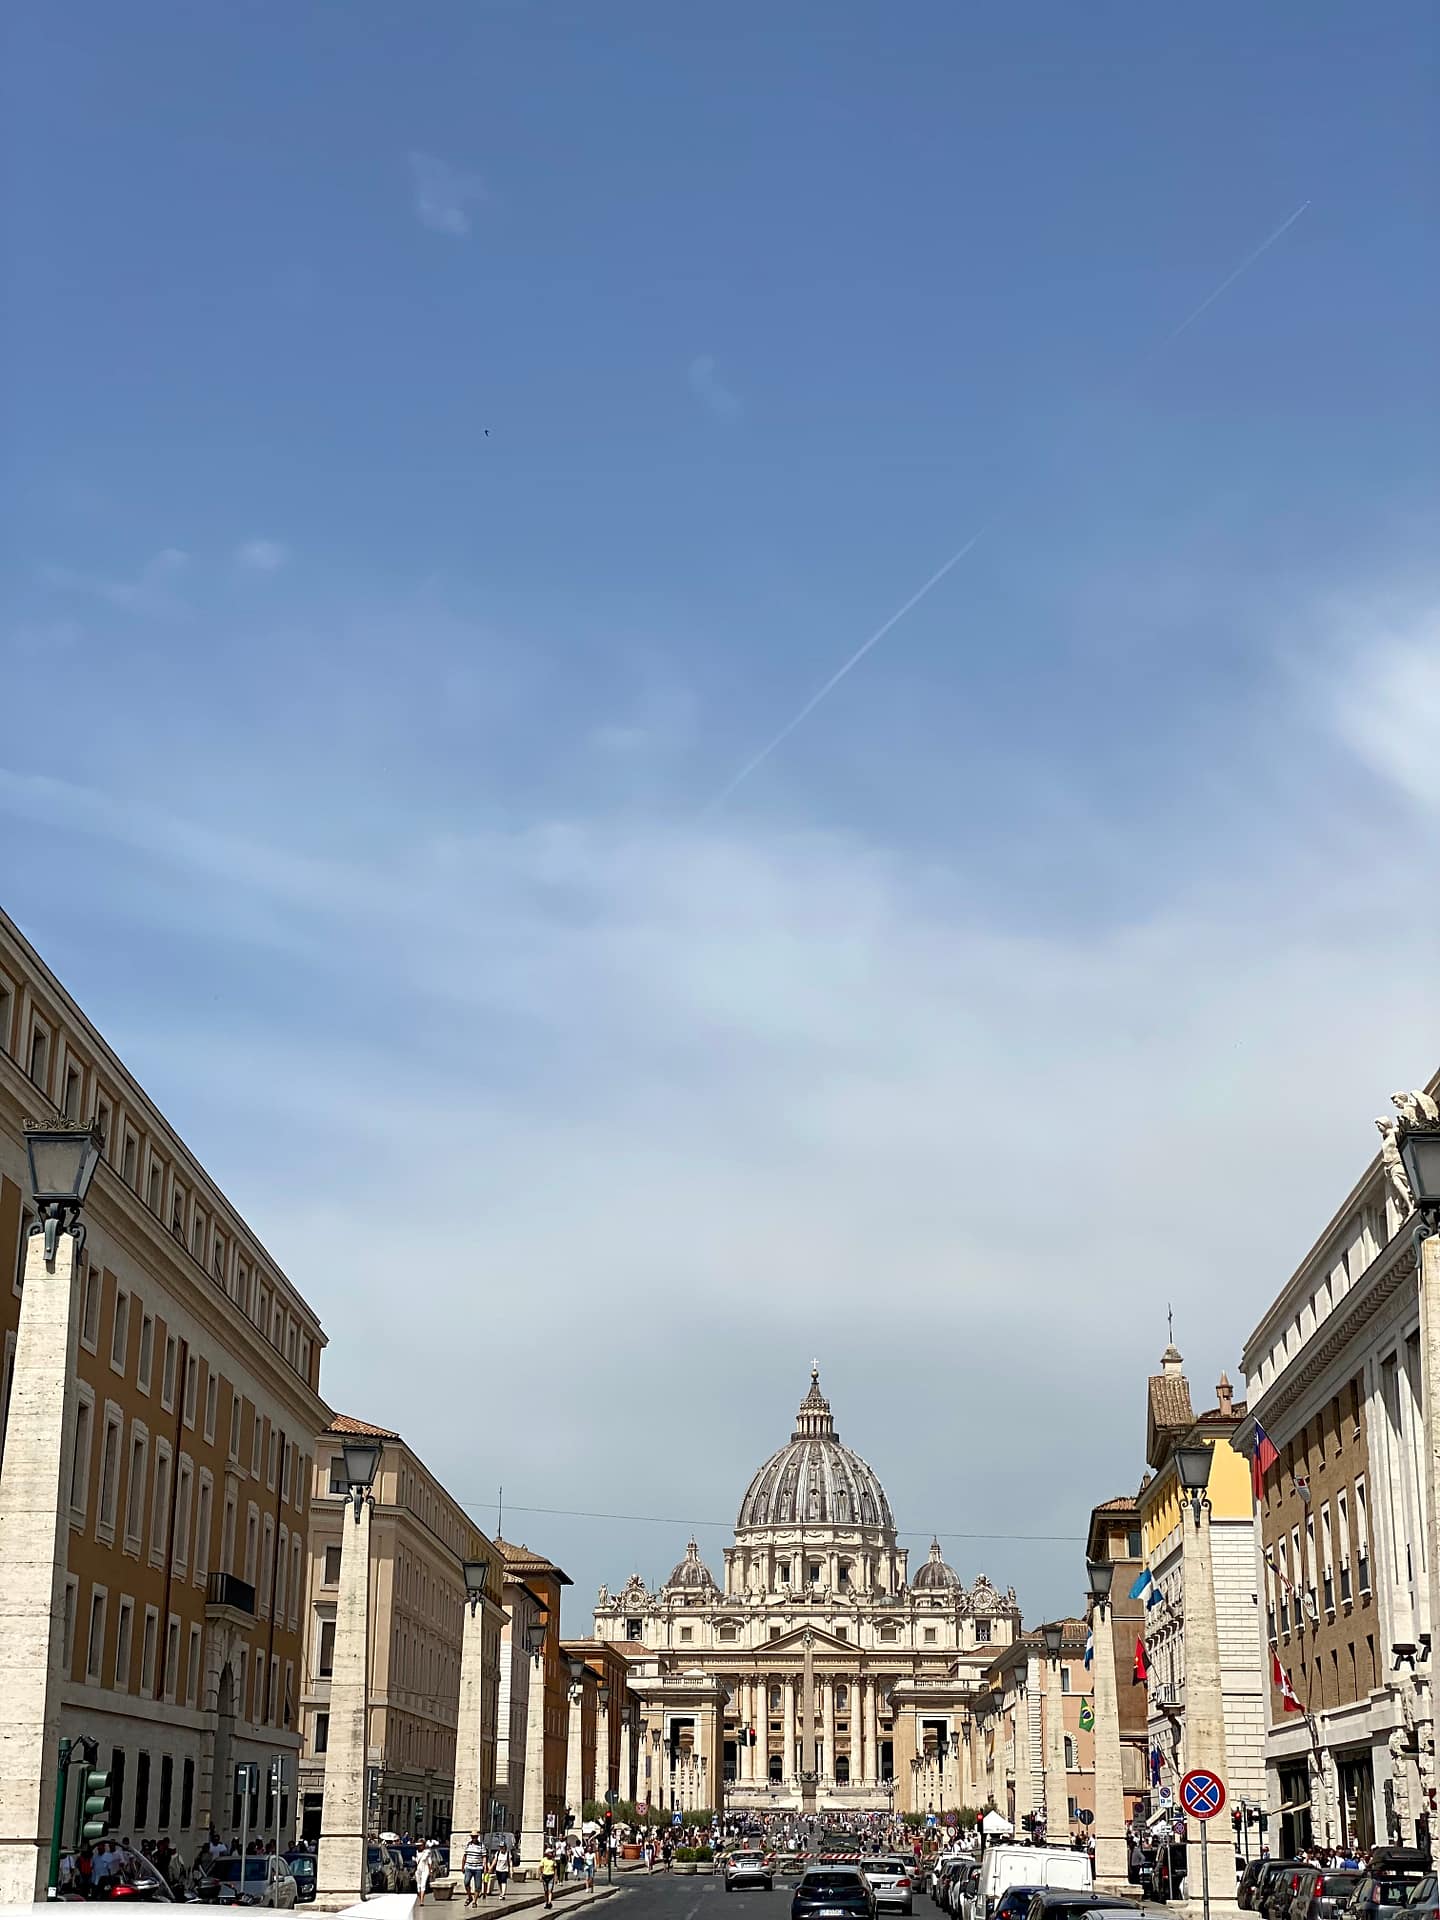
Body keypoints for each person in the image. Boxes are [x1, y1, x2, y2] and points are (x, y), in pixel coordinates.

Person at [415, 1837, 440, 1908]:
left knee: (423, 1885)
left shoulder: (427, 1852)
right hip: (418, 1870)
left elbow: (429, 1862)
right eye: (418, 1845)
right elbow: (417, 1862)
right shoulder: (416, 1852)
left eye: (420, 1845)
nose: (419, 1846)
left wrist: (430, 1870)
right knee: (418, 1887)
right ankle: (420, 1899)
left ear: (423, 1845)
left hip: (425, 1869)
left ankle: (422, 1901)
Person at [462, 1833, 486, 1908]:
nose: (474, 1838)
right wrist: (462, 1866)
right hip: (468, 1867)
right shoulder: (468, 1845)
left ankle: (475, 1901)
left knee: (478, 1886)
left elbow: (484, 1856)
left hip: (478, 1868)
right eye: (473, 1837)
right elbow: (465, 1856)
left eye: (475, 1837)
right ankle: (469, 1897)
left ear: (477, 1837)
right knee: (466, 1882)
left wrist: (484, 1866)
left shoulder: (481, 1845)